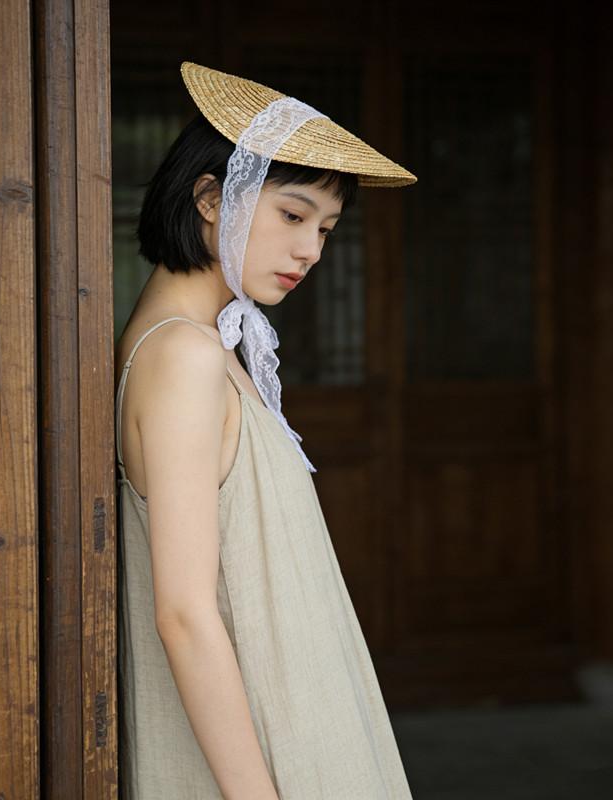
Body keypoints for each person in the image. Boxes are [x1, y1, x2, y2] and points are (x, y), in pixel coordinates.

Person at [115, 61, 417, 799]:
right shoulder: (183, 355)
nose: (312, 249)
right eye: (292, 215)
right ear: (212, 198)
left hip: (290, 716)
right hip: (259, 751)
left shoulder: (203, 343)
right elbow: (183, 613)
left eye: (326, 229)